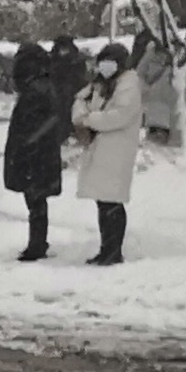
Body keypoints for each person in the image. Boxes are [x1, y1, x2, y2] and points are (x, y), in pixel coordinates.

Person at [71, 37, 143, 265]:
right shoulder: (100, 84)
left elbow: (119, 116)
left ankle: (113, 251)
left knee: (113, 201)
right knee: (103, 201)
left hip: (117, 149)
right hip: (101, 149)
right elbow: (79, 103)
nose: (105, 66)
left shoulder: (129, 85)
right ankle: (106, 249)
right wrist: (84, 115)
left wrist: (88, 119)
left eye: (110, 61)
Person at [2, 37, 70, 261]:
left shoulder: (36, 89)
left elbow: (40, 123)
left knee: (35, 201)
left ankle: (37, 244)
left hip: (35, 154)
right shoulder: (42, 84)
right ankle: (37, 242)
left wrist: (27, 144)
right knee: (36, 200)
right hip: (39, 153)